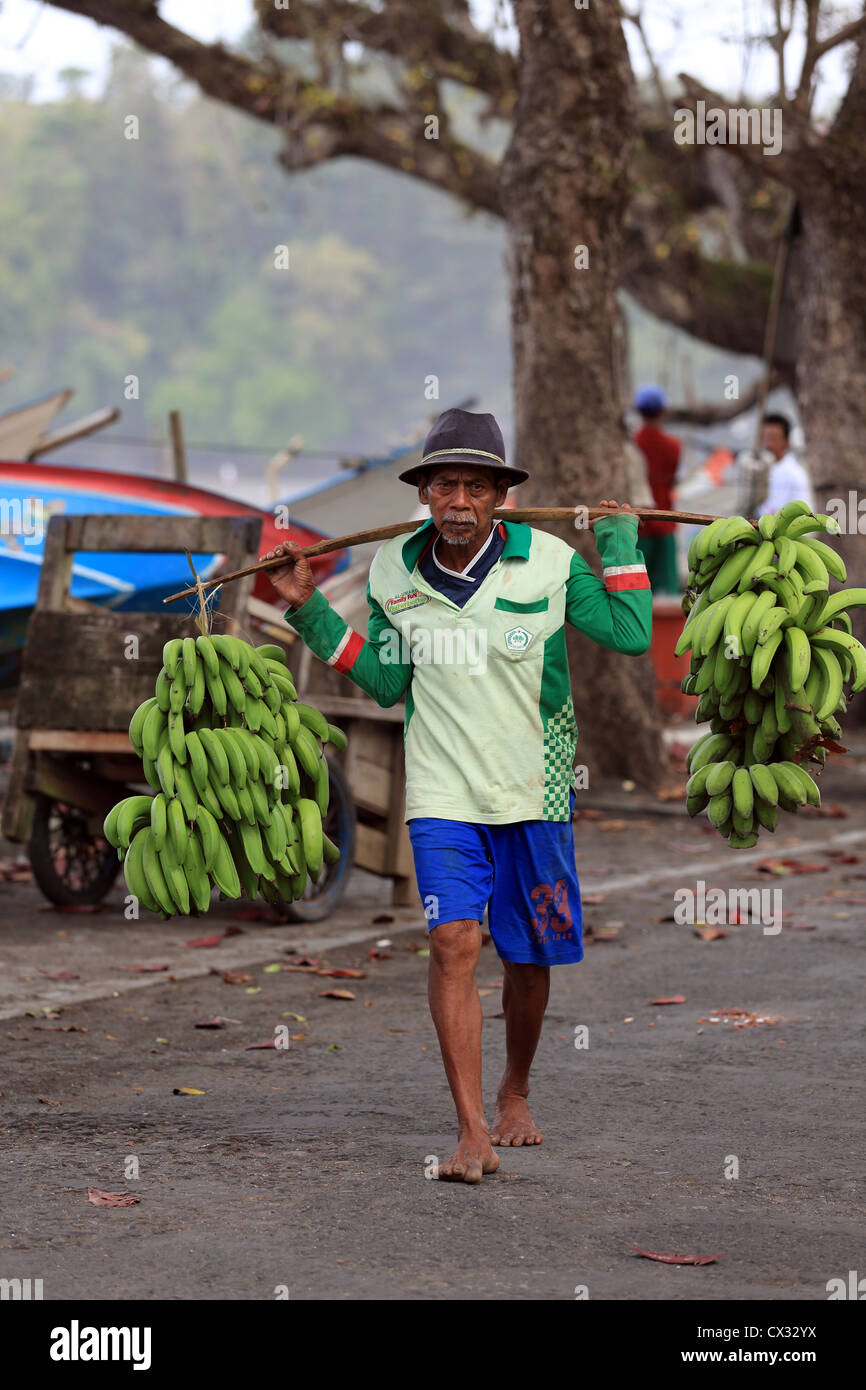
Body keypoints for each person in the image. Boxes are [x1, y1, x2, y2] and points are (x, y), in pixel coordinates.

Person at [261, 407, 652, 1183]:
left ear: (502, 495)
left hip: (534, 788)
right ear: (426, 493)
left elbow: (632, 632)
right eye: (447, 485)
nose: (461, 500)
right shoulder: (391, 572)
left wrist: (618, 545)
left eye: (478, 485)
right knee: (452, 944)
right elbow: (385, 681)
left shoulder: (549, 561)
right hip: (441, 788)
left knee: (530, 958)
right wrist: (304, 606)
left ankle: (515, 1088)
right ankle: (471, 1129)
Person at [632, 384, 680, 594]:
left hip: (637, 524)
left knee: (637, 587)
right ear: (662, 412)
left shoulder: (633, 444)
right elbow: (671, 480)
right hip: (665, 520)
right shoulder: (673, 446)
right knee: (667, 591)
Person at [757, 412, 815, 514]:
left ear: (786, 441)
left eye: (772, 438)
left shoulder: (792, 473)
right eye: (764, 438)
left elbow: (774, 513)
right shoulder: (763, 468)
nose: (767, 444)